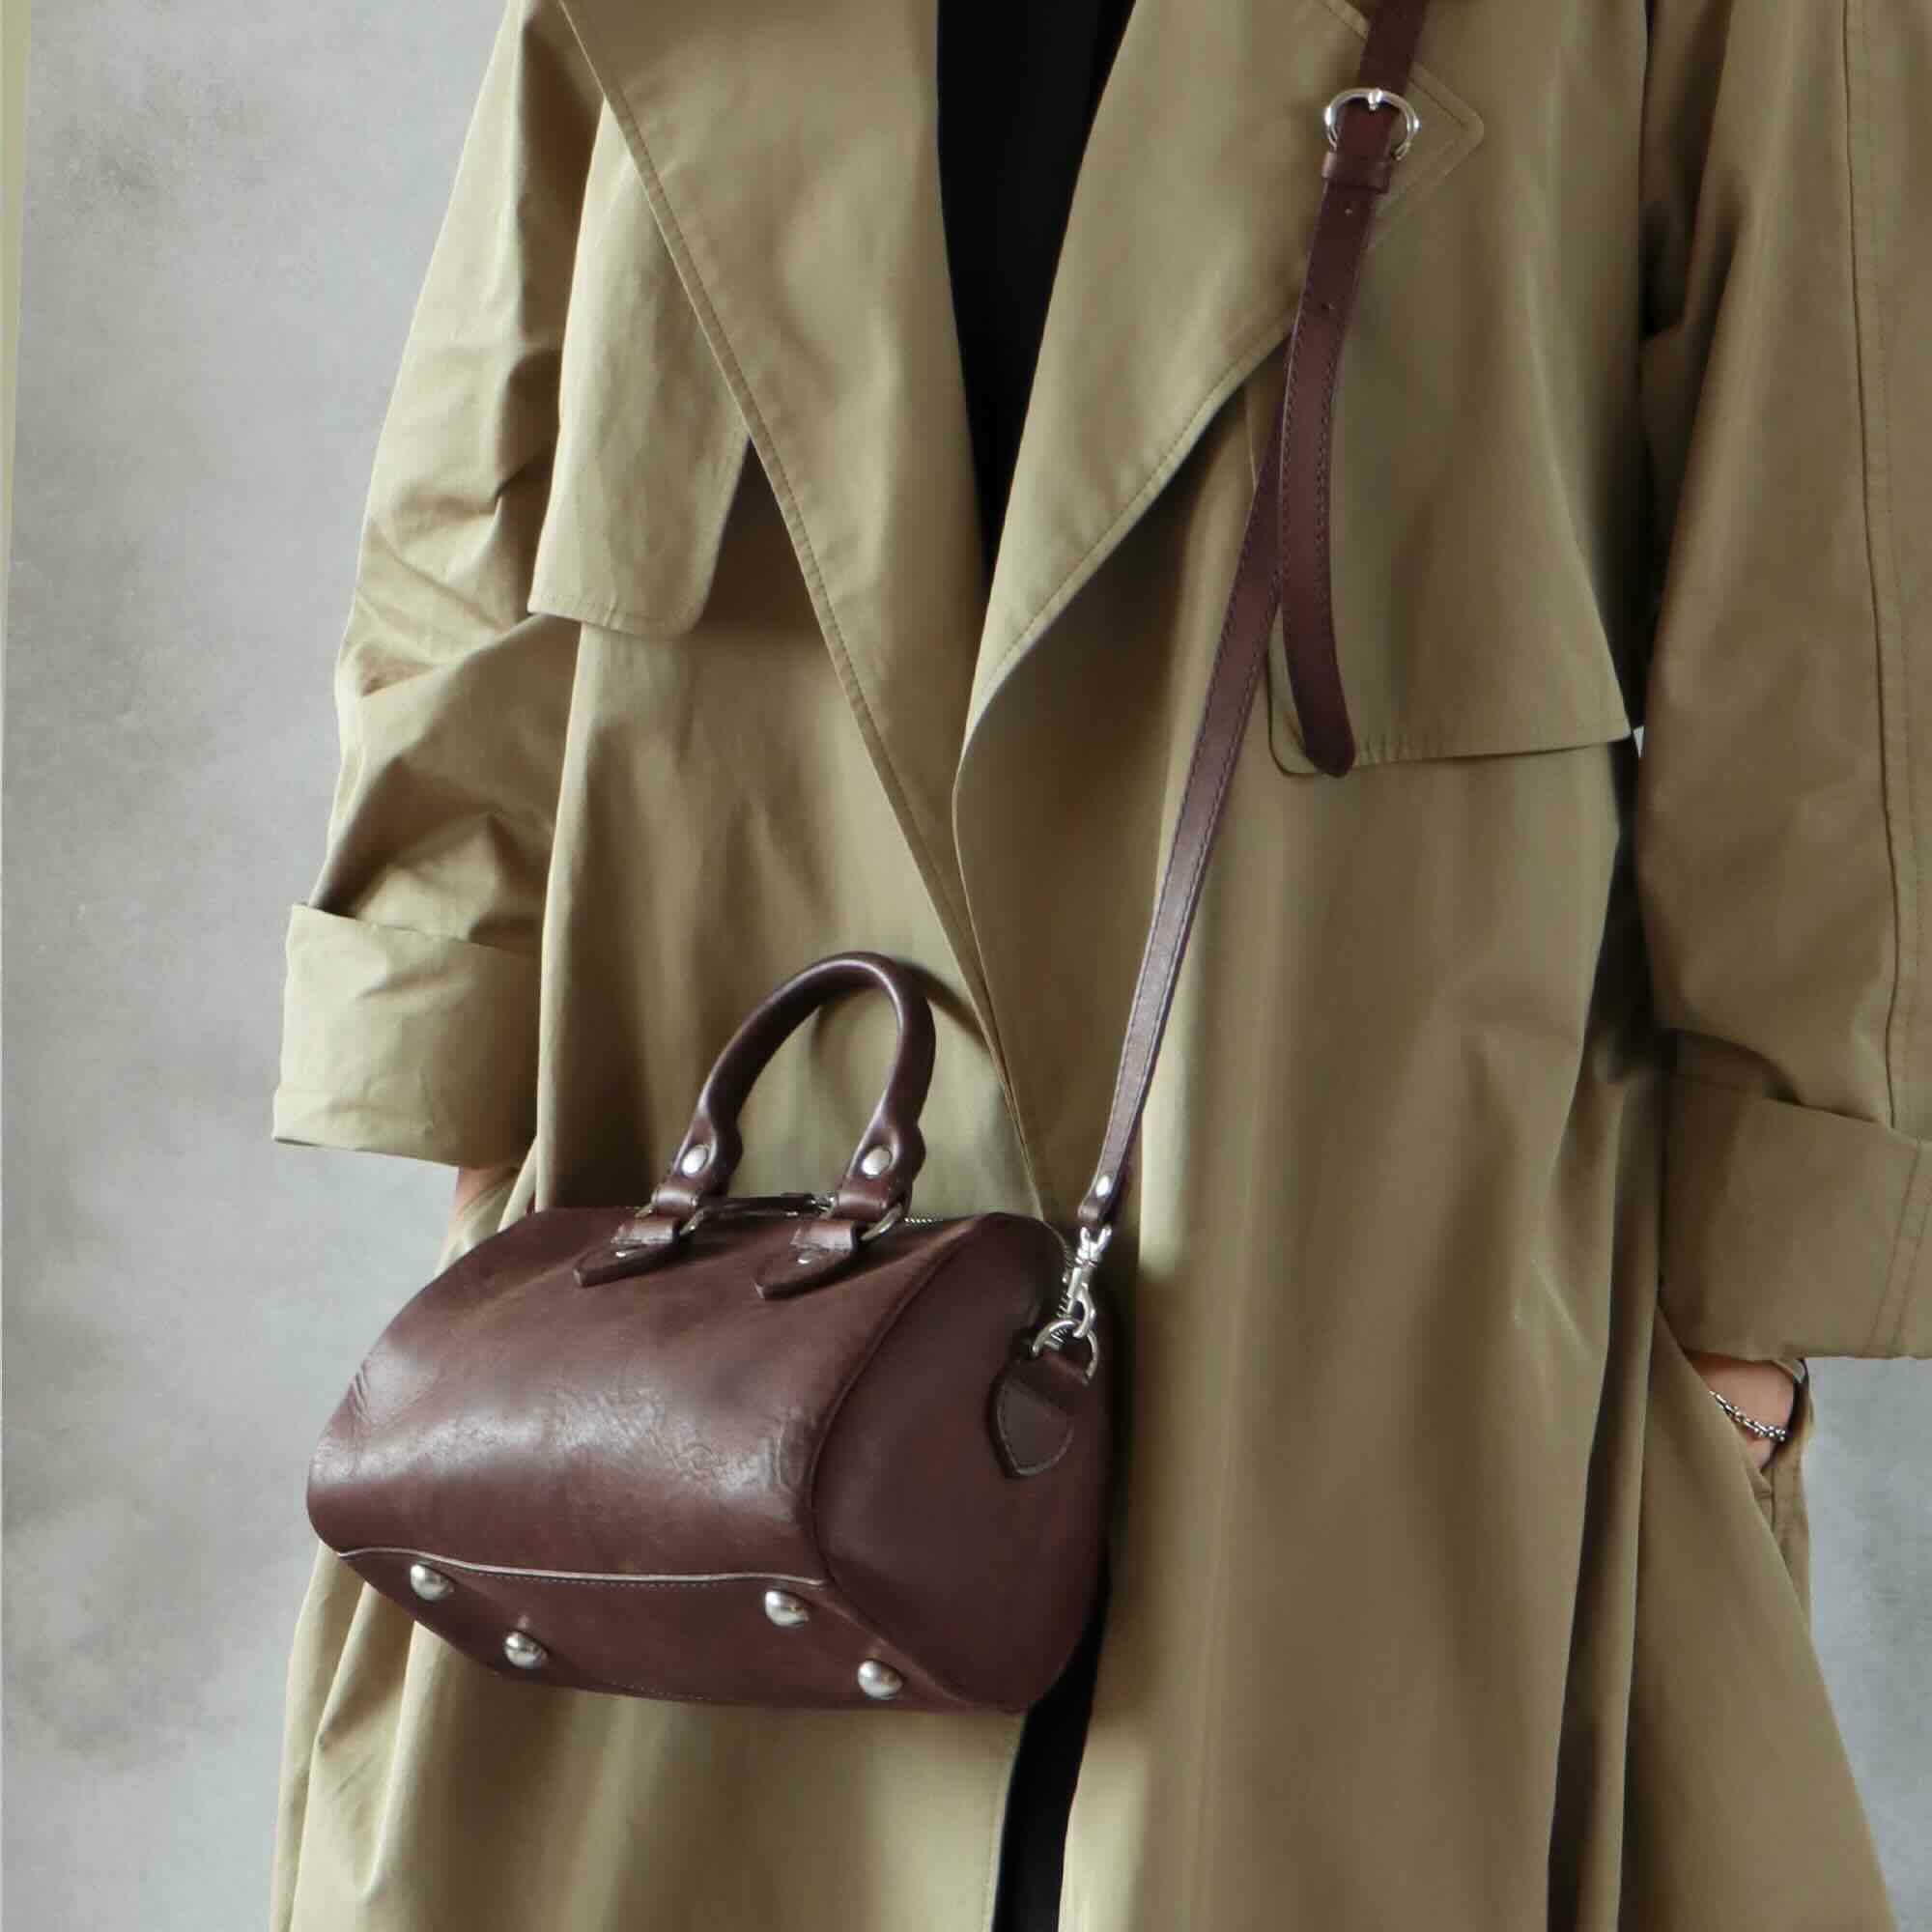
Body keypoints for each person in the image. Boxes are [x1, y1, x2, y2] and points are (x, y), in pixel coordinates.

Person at [268, 0, 1930, 1925]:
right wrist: (473, 1113)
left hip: (1361, 1150)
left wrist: (1749, 1312)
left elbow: (1821, 546)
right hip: (718, 1132)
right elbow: (491, 441)